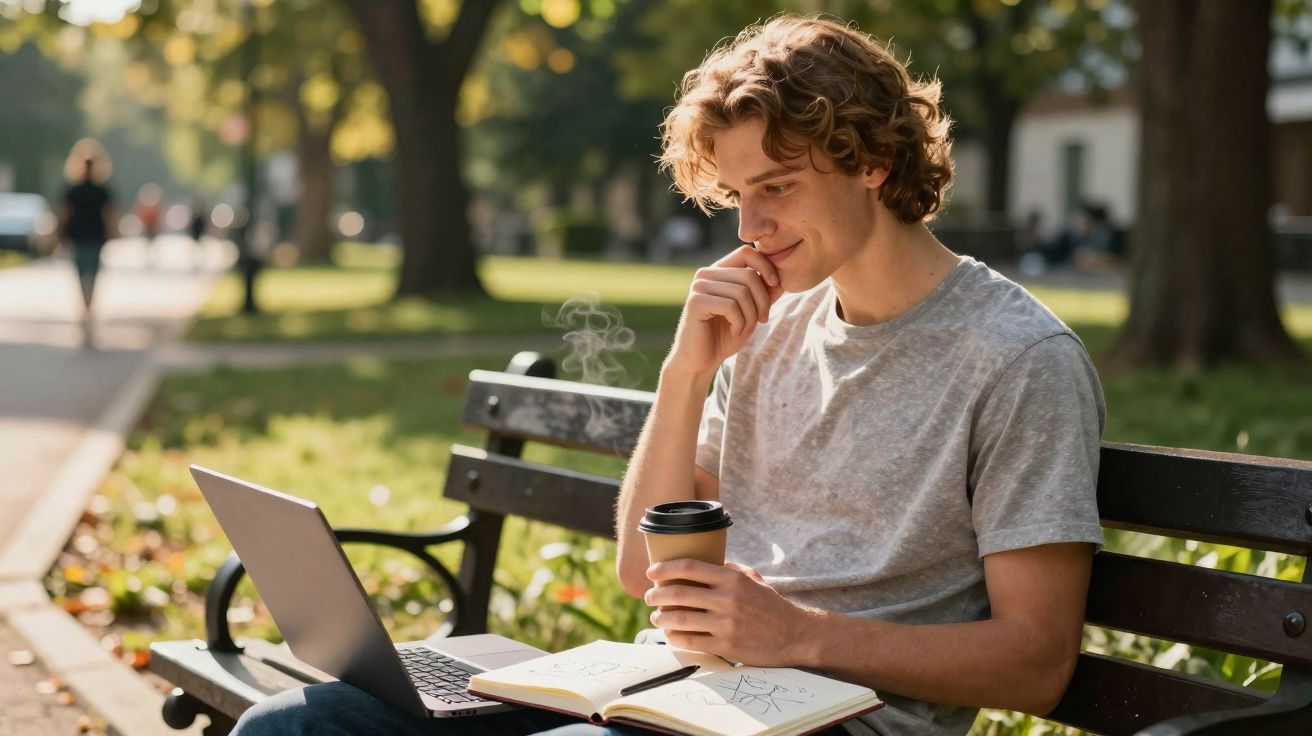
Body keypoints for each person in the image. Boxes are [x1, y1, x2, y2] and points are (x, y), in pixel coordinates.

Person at [234, 15, 1103, 736]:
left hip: (836, 722)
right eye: (735, 197)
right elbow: (639, 575)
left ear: (872, 160)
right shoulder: (771, 323)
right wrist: (688, 371)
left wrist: (799, 634)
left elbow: (1036, 662)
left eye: (779, 186)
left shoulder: (1017, 359)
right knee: (291, 727)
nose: (753, 226)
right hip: (683, 695)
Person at [58, 138, 117, 347]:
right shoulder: (101, 190)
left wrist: (58, 235)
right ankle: (88, 310)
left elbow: (64, 215)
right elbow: (109, 216)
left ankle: (86, 309)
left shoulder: (73, 189)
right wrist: (112, 234)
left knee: (81, 273)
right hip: (94, 237)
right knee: (91, 274)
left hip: (79, 236)